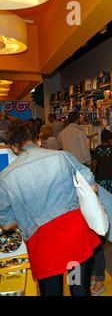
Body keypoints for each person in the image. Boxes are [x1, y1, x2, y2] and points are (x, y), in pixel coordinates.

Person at [0, 120, 100, 296]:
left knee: (51, 293)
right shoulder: (62, 157)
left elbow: (6, 224)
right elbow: (92, 188)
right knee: (78, 288)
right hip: (73, 240)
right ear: (38, 141)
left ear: (14, 147)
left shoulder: (5, 177)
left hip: (44, 246)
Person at [89, 129, 112, 296]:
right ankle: (111, 216)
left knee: (103, 198)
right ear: (110, 139)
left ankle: (104, 214)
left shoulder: (97, 149)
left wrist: (93, 173)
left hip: (102, 177)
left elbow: (94, 163)